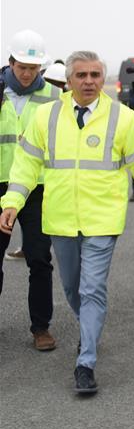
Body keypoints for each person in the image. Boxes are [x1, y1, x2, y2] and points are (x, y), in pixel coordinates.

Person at [0, 51, 134, 394]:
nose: (90, 81)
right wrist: (12, 202)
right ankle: (89, 329)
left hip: (102, 219)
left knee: (92, 288)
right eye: (82, 75)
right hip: (61, 218)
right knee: (71, 286)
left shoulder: (122, 118)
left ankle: (86, 362)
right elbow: (25, 166)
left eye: (96, 74)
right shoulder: (46, 117)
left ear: (103, 79)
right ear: (68, 81)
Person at [0, 29, 61, 350]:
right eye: (21, 66)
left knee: (39, 259)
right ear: (10, 62)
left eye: (33, 68)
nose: (26, 73)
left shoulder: (54, 97)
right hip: (0, 186)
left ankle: (41, 328)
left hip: (38, 188)